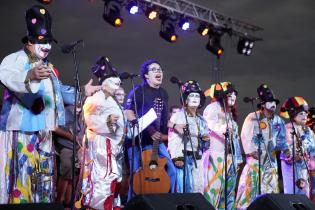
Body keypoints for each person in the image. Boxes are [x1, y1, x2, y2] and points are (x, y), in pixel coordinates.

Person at [0, 5, 100, 204]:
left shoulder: (49, 68)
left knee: (42, 180)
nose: (46, 46)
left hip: (44, 133)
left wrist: (83, 93)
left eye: (48, 42)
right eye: (41, 41)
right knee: (22, 180)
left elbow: (62, 92)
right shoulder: (15, 60)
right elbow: (7, 77)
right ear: (29, 41)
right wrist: (30, 75)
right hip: (21, 133)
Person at [78, 56, 126, 210]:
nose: (117, 83)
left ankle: (111, 204)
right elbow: (88, 117)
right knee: (102, 178)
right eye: (113, 80)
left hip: (113, 145)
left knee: (114, 177)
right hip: (101, 145)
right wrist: (106, 121)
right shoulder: (95, 98)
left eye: (117, 81)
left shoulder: (112, 100)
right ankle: (99, 206)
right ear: (104, 82)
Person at [124, 59, 176, 199]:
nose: (158, 71)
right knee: (137, 176)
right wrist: (147, 129)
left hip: (156, 141)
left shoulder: (164, 93)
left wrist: (175, 126)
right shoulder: (138, 91)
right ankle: (132, 205)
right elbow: (128, 112)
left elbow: (164, 119)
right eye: (154, 69)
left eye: (160, 69)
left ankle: (167, 202)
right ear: (146, 75)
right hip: (138, 141)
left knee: (172, 170)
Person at [235, 84, 290, 209]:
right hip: (256, 158)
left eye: (274, 102)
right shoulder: (253, 117)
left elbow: (281, 139)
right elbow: (245, 135)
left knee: (270, 186)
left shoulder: (278, 121)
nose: (273, 104)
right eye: (270, 102)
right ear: (263, 104)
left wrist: (285, 149)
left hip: (270, 158)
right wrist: (250, 151)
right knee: (252, 185)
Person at [202, 82, 243, 210]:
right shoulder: (213, 107)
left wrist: (238, 156)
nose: (233, 97)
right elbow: (209, 124)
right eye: (230, 94)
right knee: (214, 188)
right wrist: (224, 128)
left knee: (229, 190)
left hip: (231, 157)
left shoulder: (230, 113)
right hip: (216, 155)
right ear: (222, 96)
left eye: (235, 94)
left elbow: (235, 137)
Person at [167, 80, 209, 193]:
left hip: (197, 160)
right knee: (184, 189)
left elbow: (205, 143)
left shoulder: (202, 120)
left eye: (197, 95)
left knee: (198, 189)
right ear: (186, 98)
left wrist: (205, 141)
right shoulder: (178, 116)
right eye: (192, 95)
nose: (195, 98)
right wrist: (177, 158)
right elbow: (173, 139)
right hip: (183, 158)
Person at [280, 97, 315, 197]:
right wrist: (292, 156)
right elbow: (283, 146)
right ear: (293, 114)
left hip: (304, 167)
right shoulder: (287, 128)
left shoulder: (308, 130)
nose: (304, 116)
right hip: (291, 167)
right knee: (293, 193)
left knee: (305, 193)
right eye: (301, 113)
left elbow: (312, 147)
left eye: (305, 113)